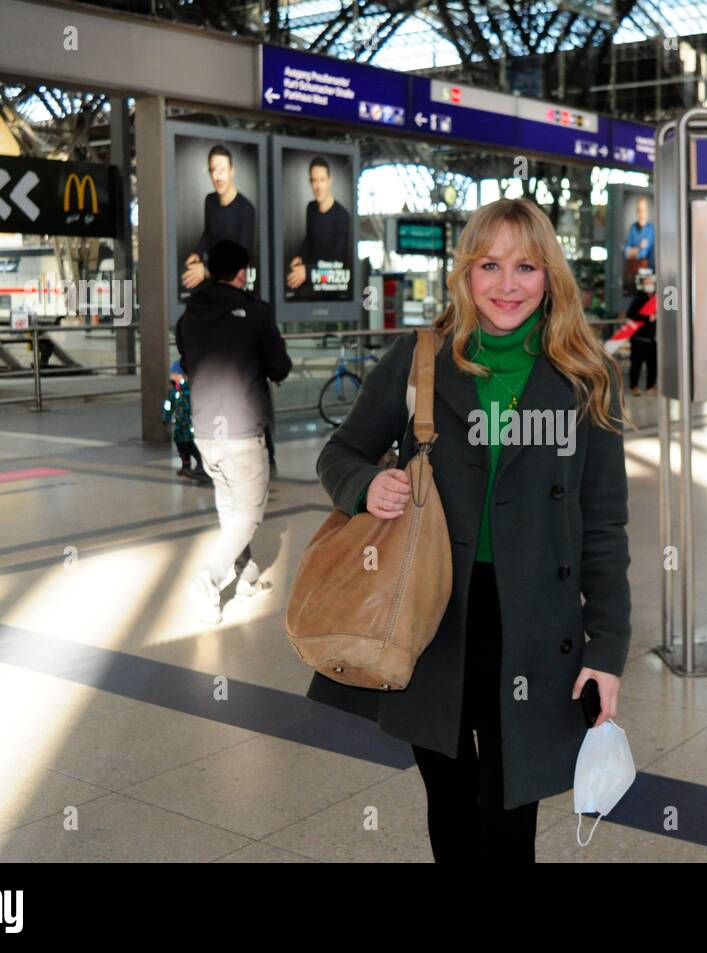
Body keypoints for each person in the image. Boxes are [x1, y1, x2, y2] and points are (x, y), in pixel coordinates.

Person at [309, 198, 632, 863]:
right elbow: (340, 453)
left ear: (550, 277)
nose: (506, 285)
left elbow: (604, 521)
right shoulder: (420, 359)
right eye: (489, 265)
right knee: (450, 800)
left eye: (525, 266)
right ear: (465, 271)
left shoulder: (586, 377)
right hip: (433, 615)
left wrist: (608, 648)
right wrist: (367, 486)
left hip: (536, 624)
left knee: (511, 811)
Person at [175, 240, 292, 624]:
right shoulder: (256, 313)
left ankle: (247, 578)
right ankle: (209, 579)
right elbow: (279, 366)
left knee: (230, 506)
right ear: (242, 272)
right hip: (243, 428)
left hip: (205, 428)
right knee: (249, 512)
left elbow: (188, 361)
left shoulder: (190, 314)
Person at [183, 145, 257, 291]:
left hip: (234, 285)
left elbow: (241, 259)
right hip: (212, 281)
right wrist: (197, 252)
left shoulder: (246, 209)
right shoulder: (209, 200)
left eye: (222, 169)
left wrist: (205, 271)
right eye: (213, 170)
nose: (217, 176)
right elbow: (208, 233)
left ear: (232, 172)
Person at [287, 157, 352, 296]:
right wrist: (299, 255)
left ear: (330, 181)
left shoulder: (342, 215)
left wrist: (307, 272)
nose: (318, 187)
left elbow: (338, 262)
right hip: (311, 274)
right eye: (314, 180)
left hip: (331, 281)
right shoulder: (311, 208)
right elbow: (310, 239)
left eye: (322, 180)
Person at [162, 359, 210, 484]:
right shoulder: (174, 391)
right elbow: (168, 405)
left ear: (180, 374)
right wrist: (166, 418)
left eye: (173, 373)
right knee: (180, 444)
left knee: (192, 445)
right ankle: (186, 466)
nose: (171, 375)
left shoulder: (189, 389)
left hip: (190, 424)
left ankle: (202, 465)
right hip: (180, 425)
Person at [624, 276, 658, 396]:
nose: (650, 285)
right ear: (643, 285)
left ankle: (650, 386)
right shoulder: (639, 299)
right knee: (636, 364)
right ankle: (634, 387)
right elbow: (631, 314)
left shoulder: (657, 298)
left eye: (651, 283)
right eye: (647, 283)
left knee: (653, 365)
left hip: (653, 339)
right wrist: (648, 317)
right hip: (639, 338)